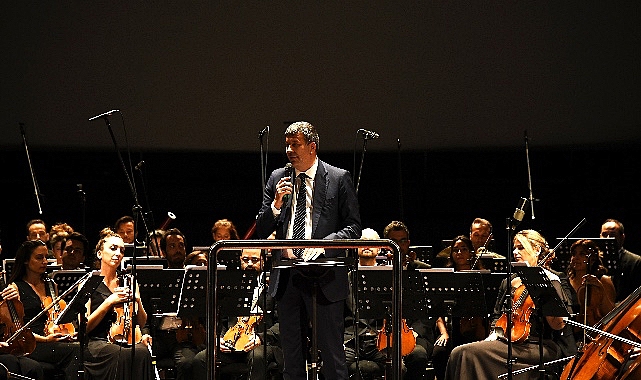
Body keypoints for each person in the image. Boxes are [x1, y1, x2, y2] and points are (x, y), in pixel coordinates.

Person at [255, 121, 361, 380]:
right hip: (288, 274)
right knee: (291, 356)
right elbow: (261, 228)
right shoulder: (277, 177)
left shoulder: (338, 178)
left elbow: (353, 228)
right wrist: (276, 206)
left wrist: (322, 244)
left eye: (296, 144)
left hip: (324, 274)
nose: (289, 150)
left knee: (333, 355)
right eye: (287, 144)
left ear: (312, 147)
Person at [445, 229, 574, 380]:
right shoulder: (509, 281)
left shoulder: (552, 280)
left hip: (536, 346)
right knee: (457, 353)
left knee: (466, 353)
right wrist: (493, 336)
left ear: (537, 250)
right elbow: (496, 316)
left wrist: (547, 289)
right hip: (505, 341)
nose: (515, 252)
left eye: (521, 248)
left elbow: (558, 325)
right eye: (514, 247)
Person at [193, 248, 281, 380]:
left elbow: (283, 324)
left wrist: (261, 338)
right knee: (201, 359)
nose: (249, 264)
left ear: (264, 260)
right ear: (240, 260)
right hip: (232, 344)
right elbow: (221, 320)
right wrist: (219, 339)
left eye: (255, 260)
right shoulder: (232, 286)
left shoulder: (274, 287)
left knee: (256, 356)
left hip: (264, 343)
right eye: (245, 260)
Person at [84, 228, 153, 380]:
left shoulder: (129, 281)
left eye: (122, 250)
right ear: (99, 253)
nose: (118, 253)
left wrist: (137, 300)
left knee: (142, 352)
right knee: (121, 354)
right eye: (113, 248)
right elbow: (85, 326)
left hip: (126, 338)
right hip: (98, 342)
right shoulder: (88, 283)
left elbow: (141, 322)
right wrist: (109, 302)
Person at [6, 239, 81, 380]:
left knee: (82, 347)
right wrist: (46, 339)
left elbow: (55, 318)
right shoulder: (15, 288)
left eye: (47, 257)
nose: (45, 261)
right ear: (26, 261)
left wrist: (64, 333)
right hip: (33, 344)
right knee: (76, 351)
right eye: (39, 257)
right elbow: (18, 330)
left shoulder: (51, 285)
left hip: (52, 339)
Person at [382, 221, 434, 380]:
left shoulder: (423, 270)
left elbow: (431, 309)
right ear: (386, 245)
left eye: (402, 241)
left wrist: (414, 332)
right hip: (386, 334)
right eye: (394, 242)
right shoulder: (378, 272)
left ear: (408, 243)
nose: (399, 246)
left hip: (417, 333)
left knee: (417, 355)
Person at [567, 239, 616, 333]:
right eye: (574, 254)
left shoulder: (603, 280)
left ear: (592, 259)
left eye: (582, 254)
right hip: (572, 333)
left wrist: (601, 289)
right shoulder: (567, 281)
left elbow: (611, 314)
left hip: (596, 332)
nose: (575, 258)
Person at [599, 219, 641, 303]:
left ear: (622, 237)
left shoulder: (635, 261)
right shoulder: (593, 260)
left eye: (612, 235)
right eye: (604, 235)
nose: (608, 238)